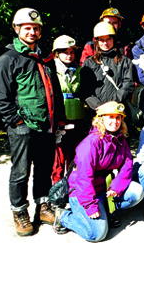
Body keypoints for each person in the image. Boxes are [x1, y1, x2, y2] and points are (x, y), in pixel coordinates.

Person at [0, 8, 65, 236]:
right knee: (21, 171)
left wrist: (59, 120)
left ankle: (43, 207)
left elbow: (55, 92)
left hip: (46, 126)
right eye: (27, 28)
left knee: (44, 168)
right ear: (17, 29)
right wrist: (17, 122)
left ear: (40, 31)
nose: (31, 32)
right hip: (22, 127)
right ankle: (20, 212)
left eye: (35, 28)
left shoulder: (43, 59)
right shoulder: (7, 60)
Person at [54, 102, 144, 242]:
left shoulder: (120, 139)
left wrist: (116, 187)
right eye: (110, 117)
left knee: (137, 192)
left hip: (103, 189)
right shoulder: (91, 143)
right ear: (101, 119)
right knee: (96, 234)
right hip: (82, 192)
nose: (115, 121)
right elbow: (84, 178)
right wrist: (91, 206)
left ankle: (105, 213)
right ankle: (63, 216)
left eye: (118, 118)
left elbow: (127, 165)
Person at [51, 35, 86, 184]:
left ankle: (72, 186)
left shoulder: (79, 69)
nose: (69, 55)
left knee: (74, 155)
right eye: (65, 52)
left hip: (77, 116)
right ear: (57, 53)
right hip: (60, 116)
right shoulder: (50, 69)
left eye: (72, 52)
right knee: (58, 156)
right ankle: (58, 188)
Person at [80, 22, 135, 114]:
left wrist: (113, 103)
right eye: (101, 40)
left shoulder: (125, 61)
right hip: (97, 112)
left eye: (108, 39)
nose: (105, 43)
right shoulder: (89, 63)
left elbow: (128, 85)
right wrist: (98, 106)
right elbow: (85, 90)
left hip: (119, 110)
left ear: (113, 39)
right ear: (96, 41)